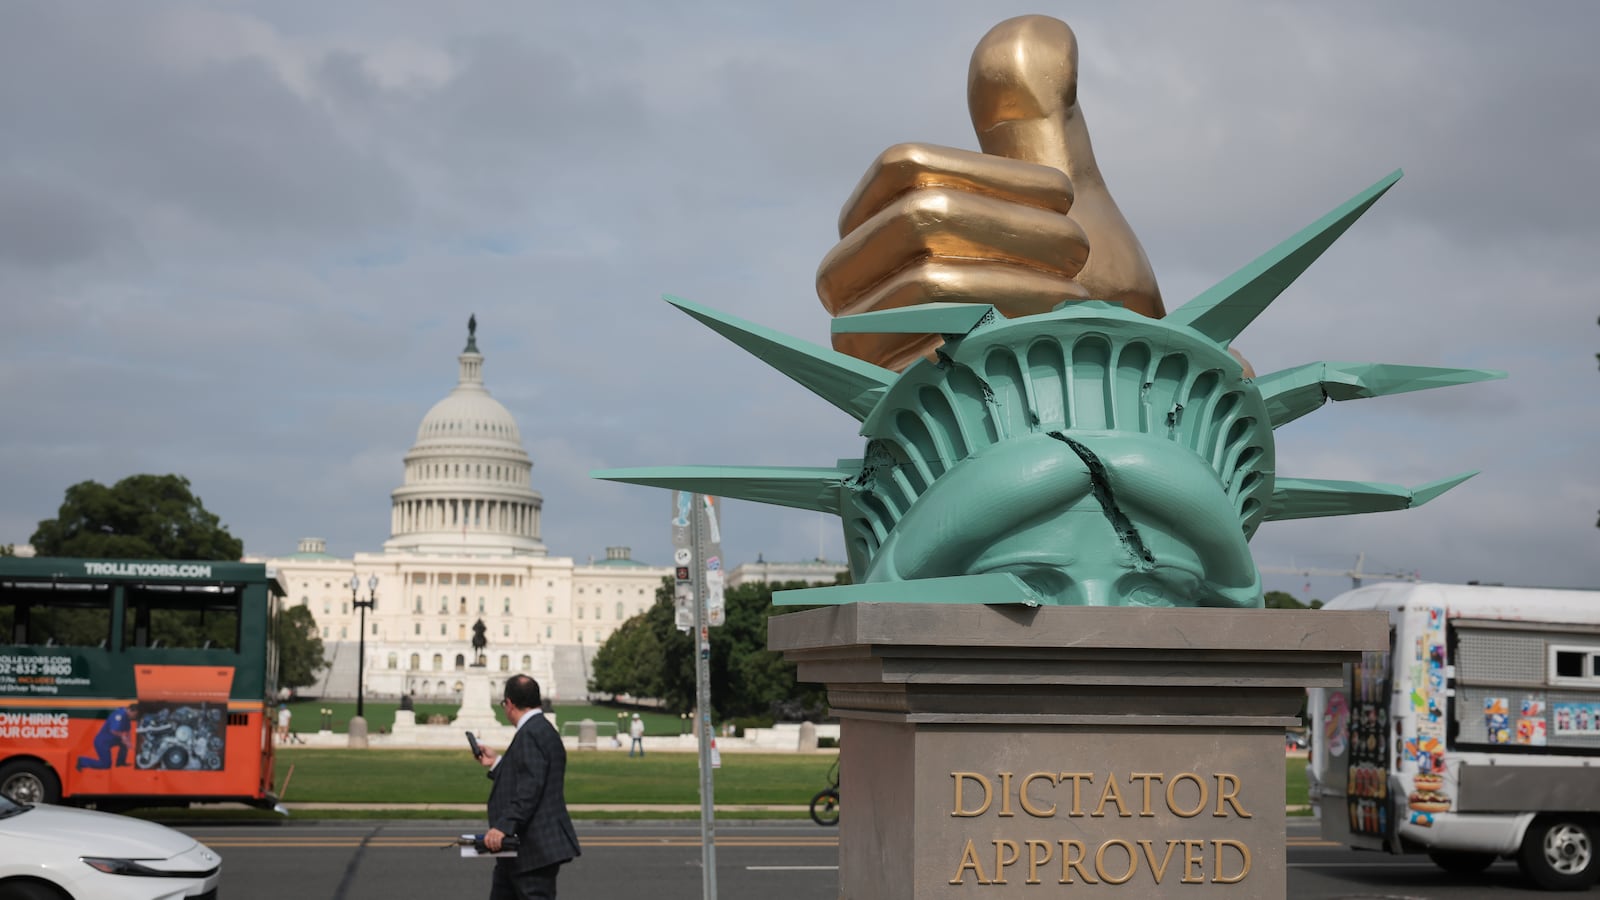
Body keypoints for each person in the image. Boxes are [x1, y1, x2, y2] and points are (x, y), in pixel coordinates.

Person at [476, 674, 580, 899]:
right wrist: (497, 763)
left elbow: (530, 788)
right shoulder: (540, 729)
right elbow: (528, 775)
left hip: (532, 850)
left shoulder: (531, 733)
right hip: (520, 850)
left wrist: (504, 825)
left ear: (510, 703)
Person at [78, 701, 138, 770]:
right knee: (105, 765)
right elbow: (113, 730)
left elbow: (127, 731)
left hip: (112, 739)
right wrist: (123, 737)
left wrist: (129, 743)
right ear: (131, 710)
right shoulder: (119, 715)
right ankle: (82, 761)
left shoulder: (127, 717)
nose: (135, 717)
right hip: (103, 742)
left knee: (124, 744)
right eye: (135, 715)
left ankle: (120, 763)